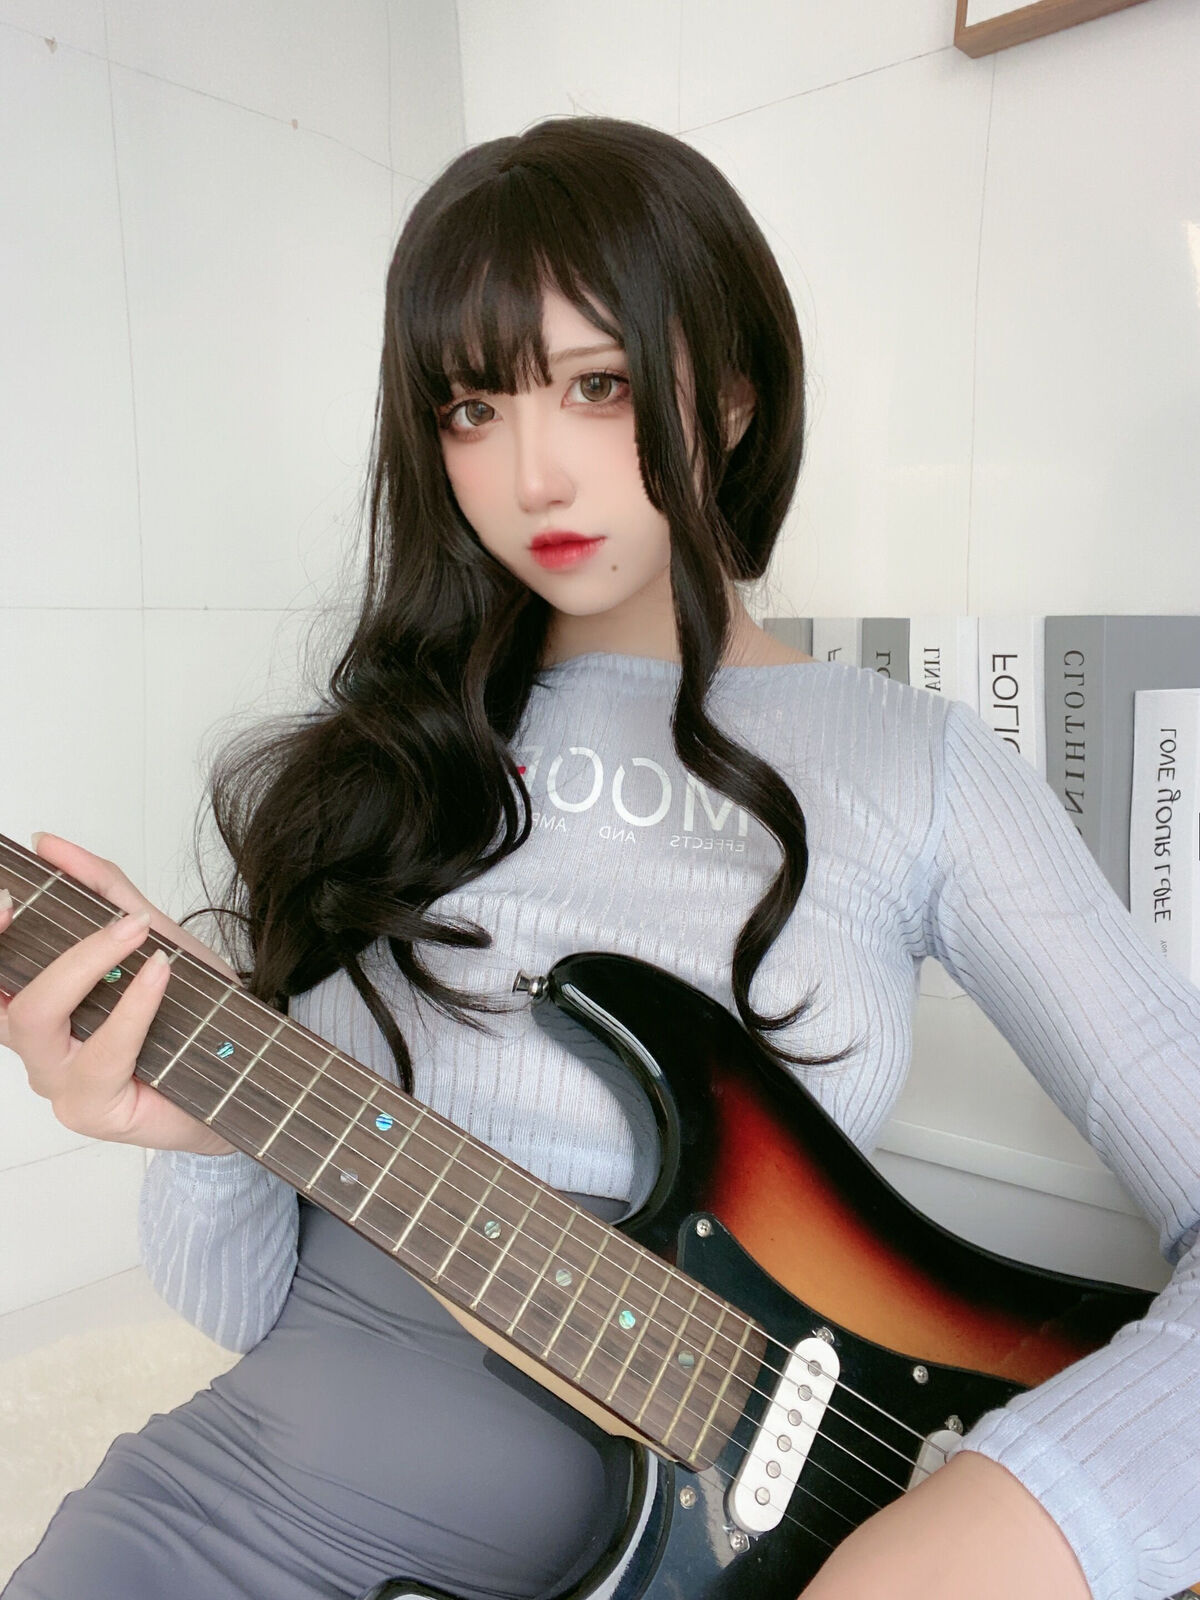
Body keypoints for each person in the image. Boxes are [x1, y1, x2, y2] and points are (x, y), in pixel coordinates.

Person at [0, 114, 1197, 1600]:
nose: (534, 477)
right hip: (225, 1523)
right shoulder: (380, 769)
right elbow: (243, 1310)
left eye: (598, 385)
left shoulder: (916, 766)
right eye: (470, 408)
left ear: (736, 396)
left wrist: (1006, 1526)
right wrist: (203, 1130)